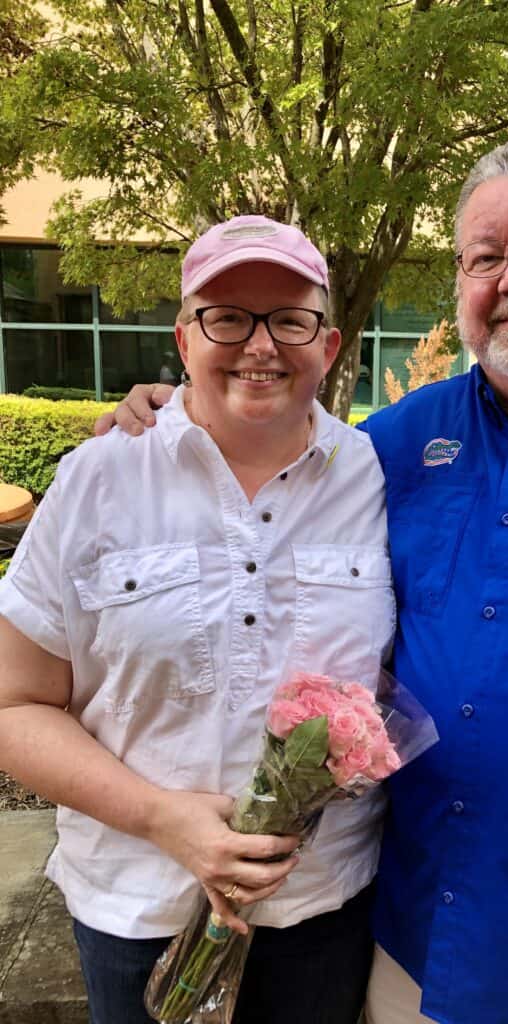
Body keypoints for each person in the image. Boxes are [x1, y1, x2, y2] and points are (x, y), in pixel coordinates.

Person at [97, 141, 508, 1024]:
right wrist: (175, 410)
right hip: (416, 936)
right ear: (462, 285)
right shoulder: (398, 442)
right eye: (486, 257)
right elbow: (271, 460)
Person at [0, 215, 396, 1024]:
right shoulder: (100, 478)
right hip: (136, 909)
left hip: (321, 911)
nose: (261, 345)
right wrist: (161, 817)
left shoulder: (375, 475)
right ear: (185, 340)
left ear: (329, 344)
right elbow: (13, 705)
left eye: (290, 319)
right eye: (228, 317)